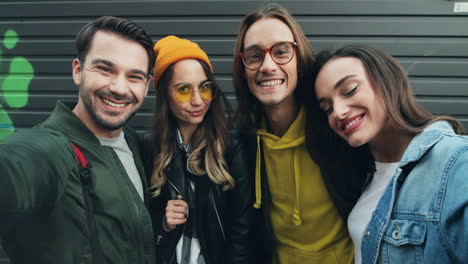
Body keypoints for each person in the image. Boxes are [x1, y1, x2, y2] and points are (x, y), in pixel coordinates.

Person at [0, 16, 156, 263]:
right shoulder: (52, 148)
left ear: (146, 86)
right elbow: (15, 167)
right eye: (105, 69)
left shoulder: (136, 144)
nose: (119, 87)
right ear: (78, 71)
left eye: (134, 76)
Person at [308, 44, 468, 264]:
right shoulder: (364, 171)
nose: (338, 111)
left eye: (349, 90)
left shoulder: (456, 161)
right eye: (327, 108)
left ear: (386, 82)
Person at [232, 4, 361, 263]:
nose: (267, 66)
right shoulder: (241, 143)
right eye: (254, 56)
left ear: (299, 60)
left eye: (281, 52)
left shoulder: (335, 126)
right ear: (243, 69)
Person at [141, 35, 253, 264]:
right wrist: (164, 223)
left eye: (205, 88)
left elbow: (243, 231)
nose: (197, 101)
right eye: (183, 90)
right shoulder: (149, 147)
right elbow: (140, 230)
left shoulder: (230, 145)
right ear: (165, 95)